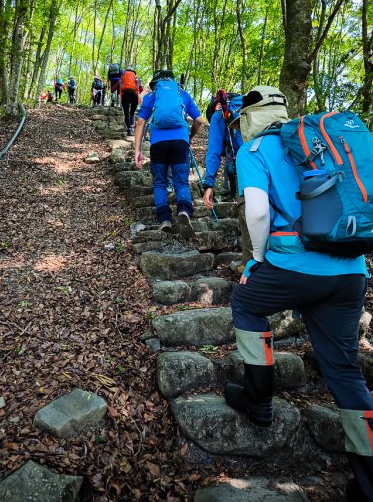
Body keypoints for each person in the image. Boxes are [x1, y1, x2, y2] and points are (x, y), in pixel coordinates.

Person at [222, 85, 372, 501]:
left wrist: (256, 257)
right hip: (351, 271)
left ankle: (259, 403)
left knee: (245, 303)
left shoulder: (253, 152)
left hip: (293, 267)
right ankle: (368, 481)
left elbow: (256, 210)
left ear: (249, 118)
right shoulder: (319, 144)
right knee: (344, 370)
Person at [134, 69, 204, 236]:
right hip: (180, 141)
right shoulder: (183, 95)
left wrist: (137, 150)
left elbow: (140, 121)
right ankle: (184, 211)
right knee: (181, 181)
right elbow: (199, 120)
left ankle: (165, 219)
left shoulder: (151, 97)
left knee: (160, 182)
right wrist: (190, 136)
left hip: (158, 143)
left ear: (155, 83)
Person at [202, 92, 251, 270]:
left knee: (246, 210)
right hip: (272, 161)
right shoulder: (251, 108)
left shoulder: (219, 115)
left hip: (246, 165)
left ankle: (250, 265)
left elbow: (214, 151)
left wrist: (209, 184)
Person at [120, 67, 143, 135]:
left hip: (125, 96)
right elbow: (141, 89)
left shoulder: (122, 78)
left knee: (126, 114)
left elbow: (117, 88)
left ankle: (129, 129)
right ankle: (132, 129)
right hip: (134, 96)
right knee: (132, 113)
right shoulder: (136, 79)